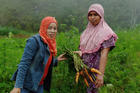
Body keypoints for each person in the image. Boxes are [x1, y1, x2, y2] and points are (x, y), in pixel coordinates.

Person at [10, 16, 66, 93]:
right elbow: (24, 64)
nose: (52, 31)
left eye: (55, 28)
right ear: (44, 27)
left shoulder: (50, 43)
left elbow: (43, 62)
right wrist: (18, 86)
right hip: (27, 85)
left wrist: (56, 60)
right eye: (49, 28)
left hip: (39, 85)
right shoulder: (34, 41)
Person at [74, 4, 118, 93]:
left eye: (95, 14)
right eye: (90, 15)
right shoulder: (87, 31)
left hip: (95, 71)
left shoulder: (106, 33)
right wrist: (79, 53)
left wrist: (100, 74)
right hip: (85, 69)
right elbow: (85, 50)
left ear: (101, 15)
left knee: (94, 89)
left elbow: (104, 54)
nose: (92, 17)